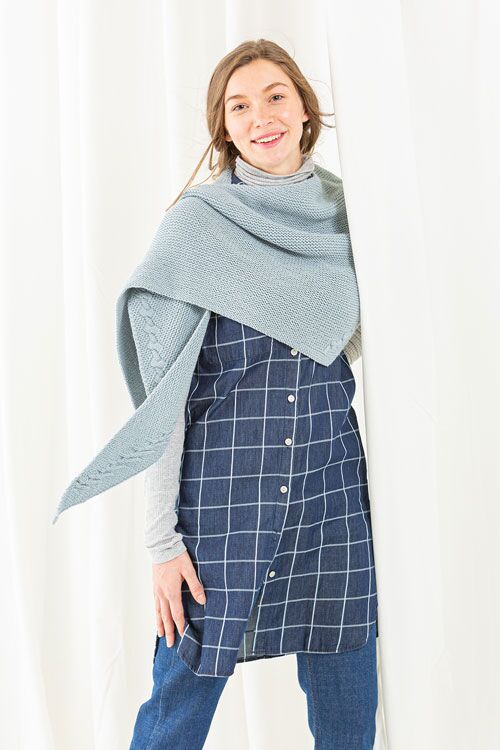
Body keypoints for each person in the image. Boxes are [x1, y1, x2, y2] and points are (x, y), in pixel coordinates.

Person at [128, 39, 379, 750]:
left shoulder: (352, 214)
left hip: (332, 500)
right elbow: (161, 401)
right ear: (224, 127)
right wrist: (162, 543)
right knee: (175, 717)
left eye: (275, 96)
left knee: (350, 719)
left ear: (304, 108)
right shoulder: (197, 226)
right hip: (221, 507)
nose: (261, 117)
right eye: (239, 107)